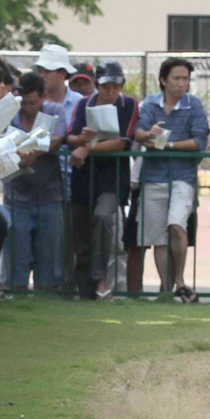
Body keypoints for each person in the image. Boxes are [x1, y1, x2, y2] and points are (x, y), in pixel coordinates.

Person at [134, 56, 209, 301]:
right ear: (163, 80)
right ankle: (166, 290)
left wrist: (168, 145)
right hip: (152, 176)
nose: (181, 83)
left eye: (185, 79)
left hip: (182, 177)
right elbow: (139, 133)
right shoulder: (150, 104)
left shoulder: (194, 105)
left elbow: (199, 142)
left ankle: (180, 281)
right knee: (157, 237)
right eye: (177, 78)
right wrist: (149, 134)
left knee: (176, 226)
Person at [68, 60, 136, 300]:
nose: (111, 92)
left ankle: (100, 278)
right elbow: (70, 137)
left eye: (115, 87)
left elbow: (123, 141)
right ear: (98, 85)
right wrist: (82, 140)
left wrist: (87, 147)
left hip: (112, 178)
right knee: (82, 235)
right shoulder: (83, 104)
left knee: (103, 216)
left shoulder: (128, 104)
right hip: (83, 177)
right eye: (106, 86)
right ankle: (84, 289)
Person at [3, 70, 65, 291]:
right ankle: (14, 290)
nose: (28, 107)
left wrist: (33, 154)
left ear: (43, 98)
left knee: (48, 252)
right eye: (24, 102)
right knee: (17, 251)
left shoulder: (55, 112)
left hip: (50, 192)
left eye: (33, 102)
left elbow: (58, 138)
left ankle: (46, 292)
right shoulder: (9, 114)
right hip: (16, 193)